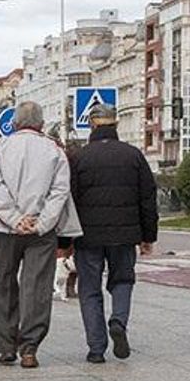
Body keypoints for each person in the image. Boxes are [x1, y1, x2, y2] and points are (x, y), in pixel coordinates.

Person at [0, 101, 80, 369]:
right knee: (36, 287)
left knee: (4, 283)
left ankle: (5, 346)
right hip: (41, 231)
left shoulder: (0, 148)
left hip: (5, 229)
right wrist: (41, 222)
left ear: (14, 123)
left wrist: (14, 218)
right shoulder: (54, 151)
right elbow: (60, 190)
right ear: (41, 124)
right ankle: (30, 348)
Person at [69, 103, 159, 364]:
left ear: (92, 125)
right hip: (125, 234)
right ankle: (118, 320)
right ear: (116, 124)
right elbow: (147, 198)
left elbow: (70, 200)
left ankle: (96, 348)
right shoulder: (133, 156)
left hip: (88, 236)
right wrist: (147, 237)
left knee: (89, 289)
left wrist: (65, 240)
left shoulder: (79, 157)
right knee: (123, 280)